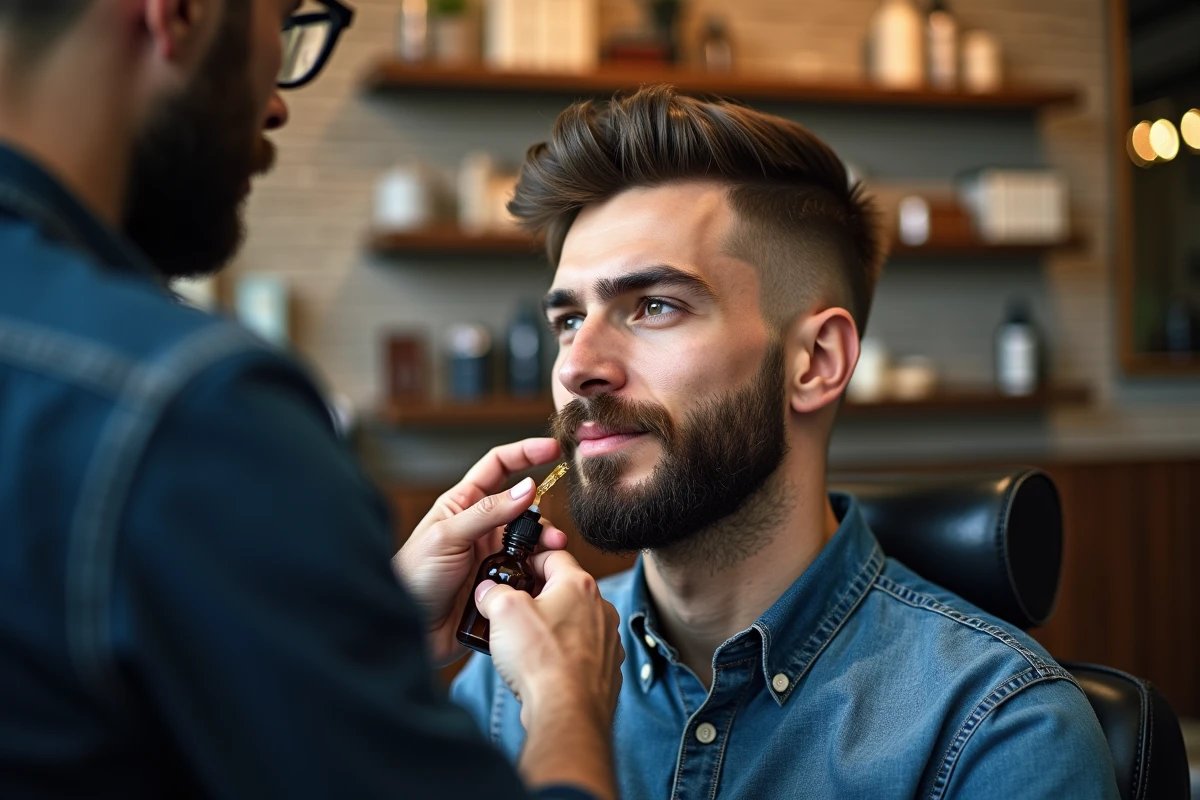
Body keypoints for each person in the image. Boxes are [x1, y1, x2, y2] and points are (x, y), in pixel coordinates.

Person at [0, 1, 622, 797]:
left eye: (656, 307)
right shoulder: (187, 411)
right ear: (177, 15)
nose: (276, 105)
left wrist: (360, 625)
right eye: (283, 33)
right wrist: (568, 697)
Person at [451, 86, 1121, 799]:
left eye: (653, 306)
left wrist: (566, 718)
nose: (576, 366)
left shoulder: (999, 730)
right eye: (567, 320)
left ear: (816, 362)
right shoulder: (504, 675)